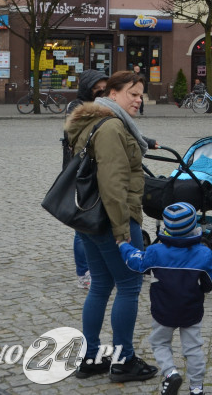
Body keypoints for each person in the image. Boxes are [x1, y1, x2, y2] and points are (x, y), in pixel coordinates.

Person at [65, 69, 158, 382]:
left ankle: (92, 357)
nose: (138, 100)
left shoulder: (92, 120)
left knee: (102, 286)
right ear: (113, 92)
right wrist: (123, 235)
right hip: (112, 219)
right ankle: (123, 360)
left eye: (140, 94)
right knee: (130, 286)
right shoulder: (112, 126)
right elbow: (113, 184)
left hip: (89, 218)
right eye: (132, 93)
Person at [119, 202, 212, 395]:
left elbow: (135, 261)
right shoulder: (204, 254)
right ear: (193, 225)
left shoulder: (155, 252)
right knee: (193, 349)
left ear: (166, 227)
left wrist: (124, 245)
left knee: (159, 343)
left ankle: (170, 372)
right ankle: (197, 388)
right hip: (191, 309)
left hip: (162, 310)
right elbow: (210, 283)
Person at [64, 69, 110, 291]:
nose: (101, 90)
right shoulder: (75, 108)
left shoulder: (105, 106)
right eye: (97, 86)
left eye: (104, 85)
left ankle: (99, 265)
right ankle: (83, 272)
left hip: (100, 169)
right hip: (80, 172)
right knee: (82, 225)